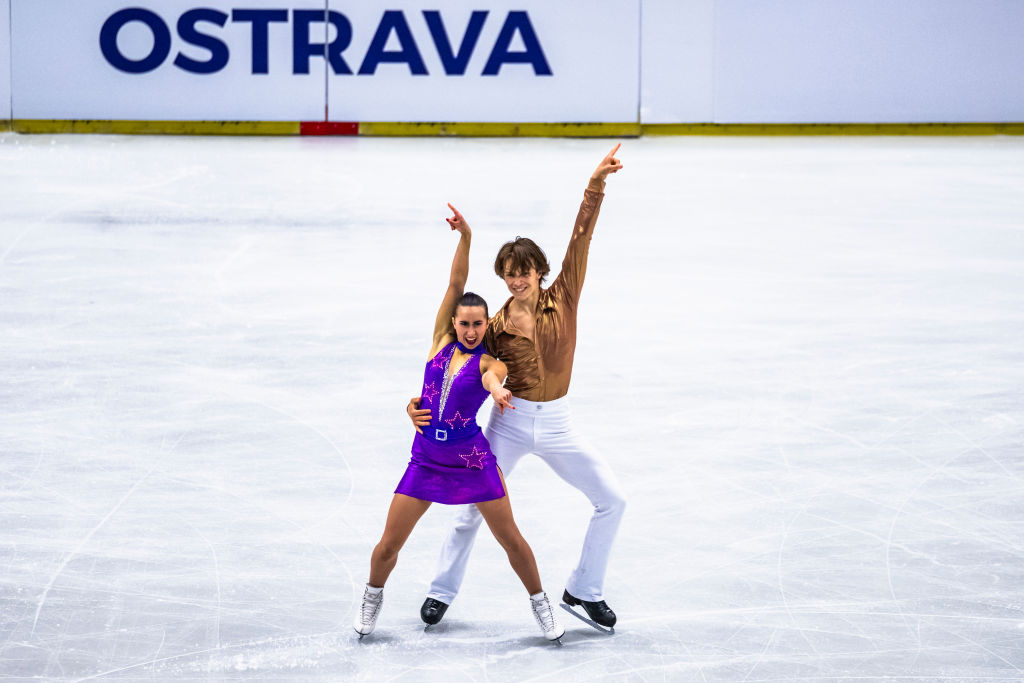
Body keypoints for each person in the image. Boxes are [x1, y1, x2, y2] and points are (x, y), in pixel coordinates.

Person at [407, 146, 626, 629]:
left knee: (613, 499)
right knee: (470, 511)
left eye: (524, 270)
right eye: (509, 272)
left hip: (559, 424)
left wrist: (595, 186)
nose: (517, 278)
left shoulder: (565, 294)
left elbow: (581, 238)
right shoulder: (495, 324)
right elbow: (454, 359)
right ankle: (440, 592)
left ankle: (584, 590)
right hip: (507, 424)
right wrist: (418, 403)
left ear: (539, 270)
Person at [354, 204, 564, 642]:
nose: (470, 329)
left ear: (487, 325)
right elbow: (455, 284)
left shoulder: (491, 360)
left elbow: (493, 379)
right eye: (464, 323)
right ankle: (371, 600)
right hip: (427, 460)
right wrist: (465, 237)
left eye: (478, 324)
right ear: (453, 323)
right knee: (389, 544)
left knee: (510, 539)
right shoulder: (438, 346)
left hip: (472, 460)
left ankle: (542, 606)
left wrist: (497, 390)